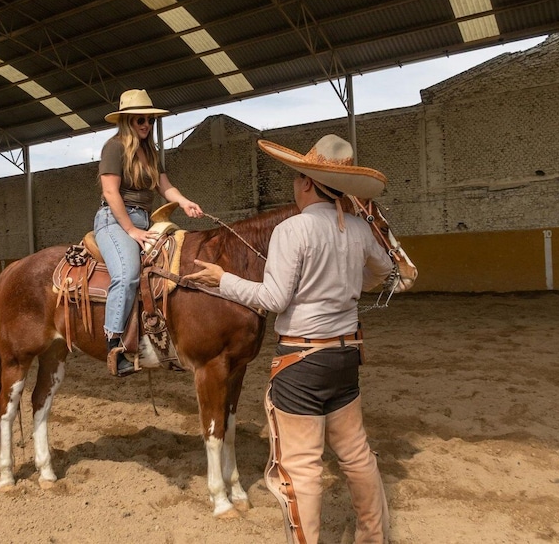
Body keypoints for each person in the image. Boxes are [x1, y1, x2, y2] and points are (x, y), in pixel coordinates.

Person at [185, 134, 394, 543]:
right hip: (347, 355)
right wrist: (348, 279)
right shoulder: (357, 228)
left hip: (303, 362)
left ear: (305, 182)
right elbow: (383, 272)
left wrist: (222, 279)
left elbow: (272, 298)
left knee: (300, 469)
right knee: (356, 455)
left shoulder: (291, 230)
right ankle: (373, 537)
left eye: (296, 178)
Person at [95, 88, 204, 377]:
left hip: (146, 220)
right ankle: (114, 348)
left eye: (150, 121)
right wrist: (130, 229)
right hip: (114, 220)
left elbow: (165, 186)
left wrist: (183, 201)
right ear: (127, 121)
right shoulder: (114, 147)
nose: (146, 125)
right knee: (128, 274)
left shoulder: (150, 152)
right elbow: (110, 190)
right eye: (140, 120)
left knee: (174, 268)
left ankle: (161, 343)